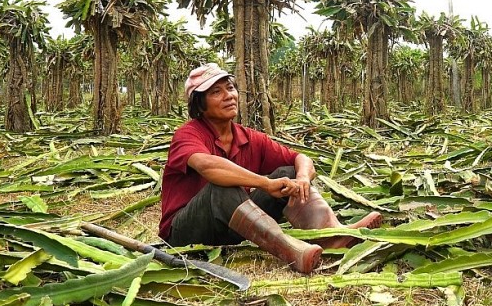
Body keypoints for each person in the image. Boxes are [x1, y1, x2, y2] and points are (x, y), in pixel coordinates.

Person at [159, 63, 382, 274]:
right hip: (184, 233)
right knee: (222, 188)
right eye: (216, 92)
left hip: (230, 230)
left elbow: (300, 157)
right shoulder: (188, 135)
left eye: (230, 88)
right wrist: (265, 183)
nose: (229, 95)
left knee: (288, 173)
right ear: (199, 104)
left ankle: (332, 236)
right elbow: (208, 166)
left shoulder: (248, 137)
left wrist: (303, 178)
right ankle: (291, 251)